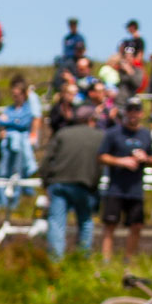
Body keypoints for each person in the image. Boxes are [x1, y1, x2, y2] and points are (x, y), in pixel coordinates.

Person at [39, 105, 103, 260]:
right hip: (85, 184)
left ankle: (55, 260)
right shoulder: (100, 136)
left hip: (59, 183)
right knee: (85, 221)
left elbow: (46, 161)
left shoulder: (62, 133)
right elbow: (100, 164)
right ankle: (83, 258)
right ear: (91, 119)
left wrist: (45, 182)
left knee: (56, 222)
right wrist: (94, 183)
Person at [99, 98, 152, 261]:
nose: (133, 114)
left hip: (136, 188)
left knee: (136, 225)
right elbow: (101, 156)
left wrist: (145, 158)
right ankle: (106, 260)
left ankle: (129, 259)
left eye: (136, 110)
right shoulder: (113, 133)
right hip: (116, 187)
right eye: (130, 110)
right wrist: (121, 161)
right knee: (110, 224)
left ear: (141, 113)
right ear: (125, 112)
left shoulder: (146, 134)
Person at [0, 76, 41, 211]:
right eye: (14, 95)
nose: (16, 97)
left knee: (16, 173)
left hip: (20, 146)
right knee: (3, 171)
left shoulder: (27, 109)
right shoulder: (9, 108)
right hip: (7, 146)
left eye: (18, 95)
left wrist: (9, 121)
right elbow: (2, 120)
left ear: (23, 94)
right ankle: (1, 202)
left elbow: (24, 122)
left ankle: (14, 203)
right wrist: (13, 122)